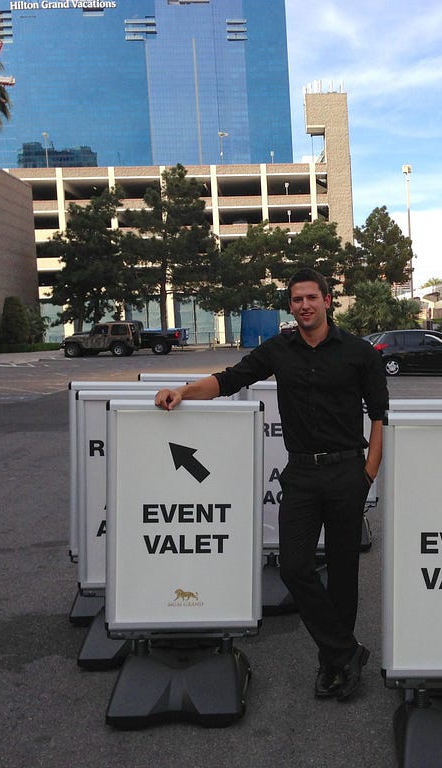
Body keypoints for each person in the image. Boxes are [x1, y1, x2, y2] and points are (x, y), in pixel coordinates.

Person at [154, 267, 388, 701]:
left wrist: (368, 474)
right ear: (291, 305)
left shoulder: (359, 353)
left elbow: (379, 416)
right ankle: (346, 651)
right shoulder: (279, 350)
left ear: (327, 301)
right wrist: (184, 391)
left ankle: (333, 664)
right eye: (296, 300)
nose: (304, 306)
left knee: (343, 574)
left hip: (346, 473)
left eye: (311, 298)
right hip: (299, 474)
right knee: (294, 568)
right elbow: (229, 379)